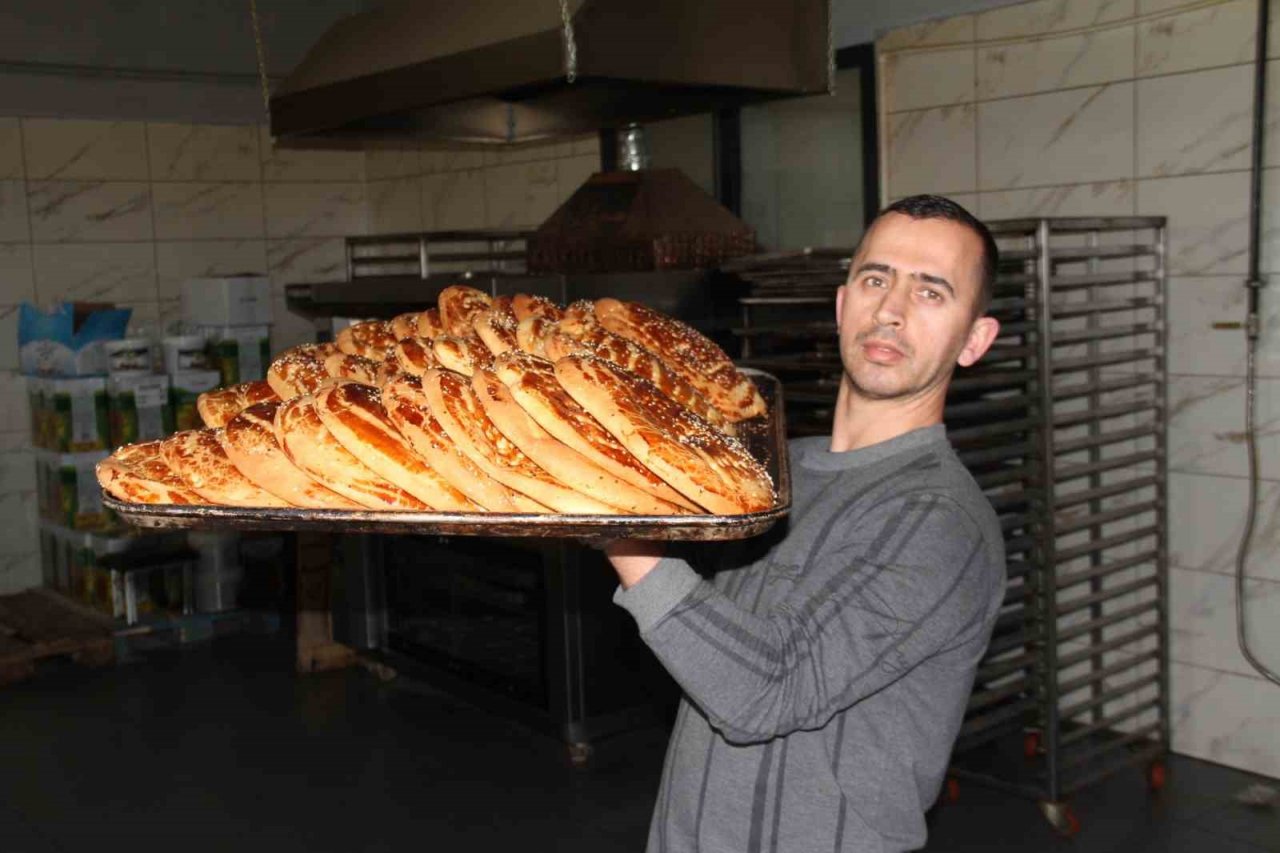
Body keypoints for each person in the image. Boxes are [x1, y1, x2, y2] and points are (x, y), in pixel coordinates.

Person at [605, 194, 1007, 852]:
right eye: (876, 279)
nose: (892, 310)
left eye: (932, 292)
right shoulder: (770, 469)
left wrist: (612, 519)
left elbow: (768, 688)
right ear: (844, 304)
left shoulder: (943, 520)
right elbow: (701, 641)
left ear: (974, 340)